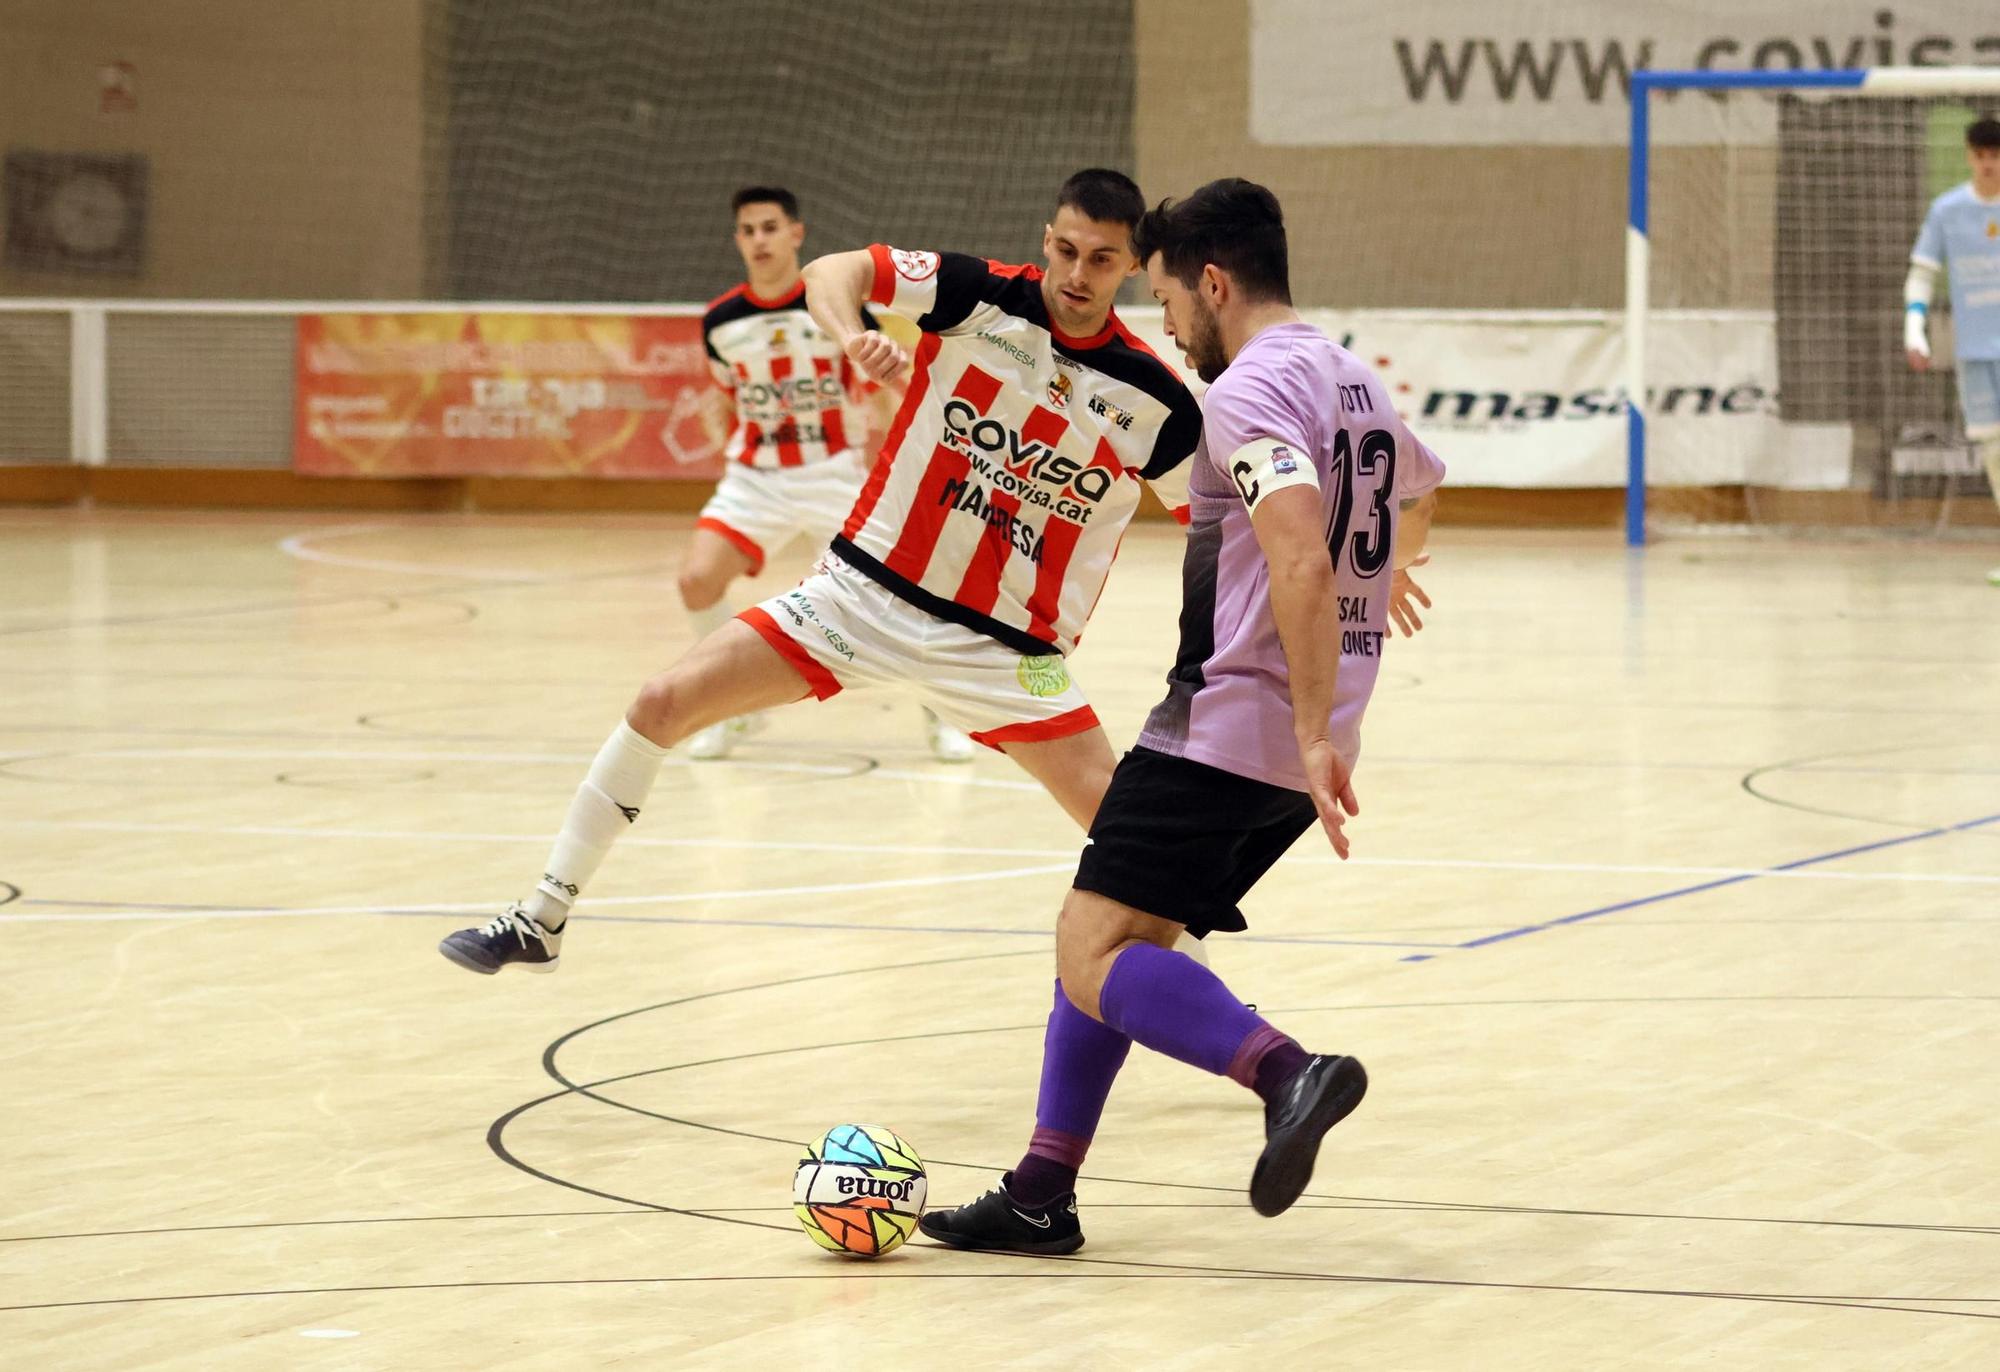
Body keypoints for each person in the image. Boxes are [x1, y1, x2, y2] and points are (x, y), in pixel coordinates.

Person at [438, 168, 1204, 976]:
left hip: (1004, 653)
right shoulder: (978, 297)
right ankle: (542, 914)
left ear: (1130, 270)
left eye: (1103, 260)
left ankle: (1230, 1015)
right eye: (1067, 250)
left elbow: (1217, 530)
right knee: (660, 702)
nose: (1077, 275)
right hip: (859, 597)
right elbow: (832, 272)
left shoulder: (1153, 398)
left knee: (1133, 843)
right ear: (1046, 240)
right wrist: (850, 335)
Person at [918, 178, 1445, 1255]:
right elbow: (1417, 492)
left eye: (1166, 298)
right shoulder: (1350, 377)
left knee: (1087, 950)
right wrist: (1375, 569)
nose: (1165, 326)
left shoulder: (1248, 390)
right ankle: (1038, 1192)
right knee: (1127, 931)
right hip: (1305, 736)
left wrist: (1300, 715)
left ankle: (1287, 1073)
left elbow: (1297, 551)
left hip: (1233, 721)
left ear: (1213, 281)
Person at [679, 186, 971, 760]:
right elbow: (725, 398)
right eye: (748, 230)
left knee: (902, 597)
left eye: (770, 227)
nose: (759, 240)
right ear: (737, 239)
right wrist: (721, 430)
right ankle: (737, 712)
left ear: (796, 233)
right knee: (696, 581)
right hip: (754, 480)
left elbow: (886, 391)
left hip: (832, 476)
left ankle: (942, 715)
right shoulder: (719, 321)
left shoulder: (832, 306)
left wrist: (900, 461)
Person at [1904, 115, 2000, 586]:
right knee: (1994, 448)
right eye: (1980, 156)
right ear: (1969, 156)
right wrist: (1913, 327)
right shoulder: (1948, 210)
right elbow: (1922, 271)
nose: (1988, 165)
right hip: (1976, 349)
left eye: (1996, 156)